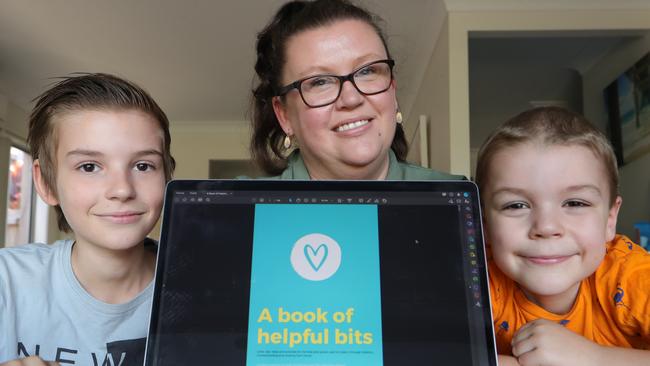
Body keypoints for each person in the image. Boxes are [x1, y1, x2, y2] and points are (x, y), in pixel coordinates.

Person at [0, 73, 175, 365]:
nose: (122, 189)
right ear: (45, 182)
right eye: (90, 166)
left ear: (168, 177)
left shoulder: (205, 288)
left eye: (143, 166)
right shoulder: (7, 282)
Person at [475, 106, 650, 366]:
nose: (546, 227)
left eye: (575, 203)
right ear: (485, 225)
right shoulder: (479, 283)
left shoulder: (632, 276)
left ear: (610, 220)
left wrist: (595, 359)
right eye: (516, 205)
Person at [250, 0, 462, 181]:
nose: (351, 98)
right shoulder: (237, 212)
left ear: (392, 89)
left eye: (367, 71)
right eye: (320, 82)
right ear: (284, 115)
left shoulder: (464, 204)